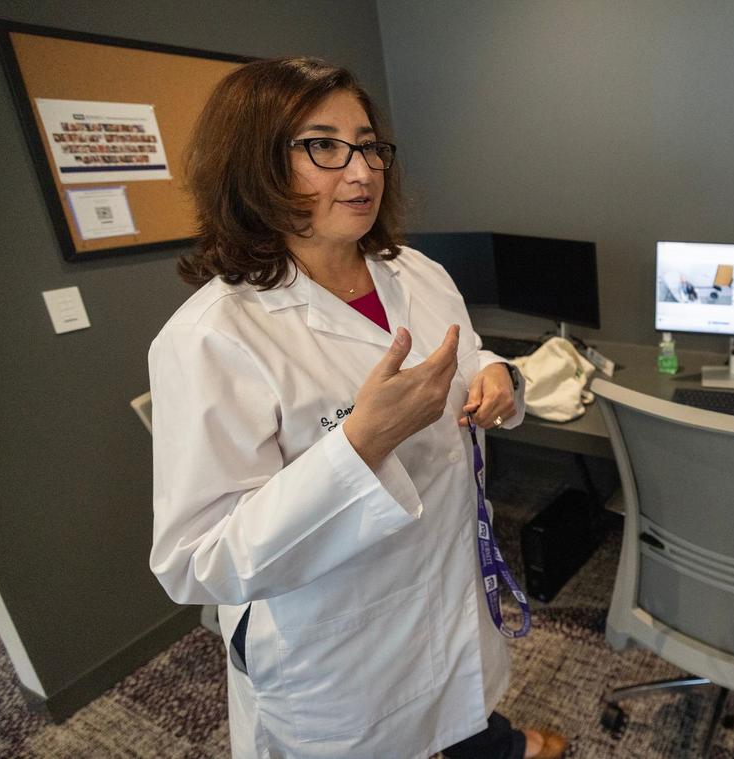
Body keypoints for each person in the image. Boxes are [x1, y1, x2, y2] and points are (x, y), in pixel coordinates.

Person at [148, 57, 566, 759]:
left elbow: (461, 352)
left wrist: (493, 372)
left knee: (459, 704)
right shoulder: (212, 337)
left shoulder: (415, 270)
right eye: (323, 146)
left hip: (447, 579)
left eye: (368, 145)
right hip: (339, 642)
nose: (363, 170)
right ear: (256, 165)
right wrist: (359, 446)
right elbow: (197, 560)